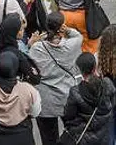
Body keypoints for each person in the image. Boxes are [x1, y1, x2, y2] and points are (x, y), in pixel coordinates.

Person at [30, 15, 84, 145]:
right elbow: (78, 36)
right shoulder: (72, 45)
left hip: (46, 101)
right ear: (61, 27)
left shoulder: (37, 48)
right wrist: (67, 30)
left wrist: (31, 43)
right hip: (67, 97)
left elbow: (28, 66)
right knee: (73, 133)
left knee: (48, 137)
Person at [62, 51, 116, 145]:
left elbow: (68, 115)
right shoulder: (107, 84)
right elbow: (112, 104)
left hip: (83, 136)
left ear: (80, 70)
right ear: (95, 66)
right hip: (104, 135)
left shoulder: (75, 92)